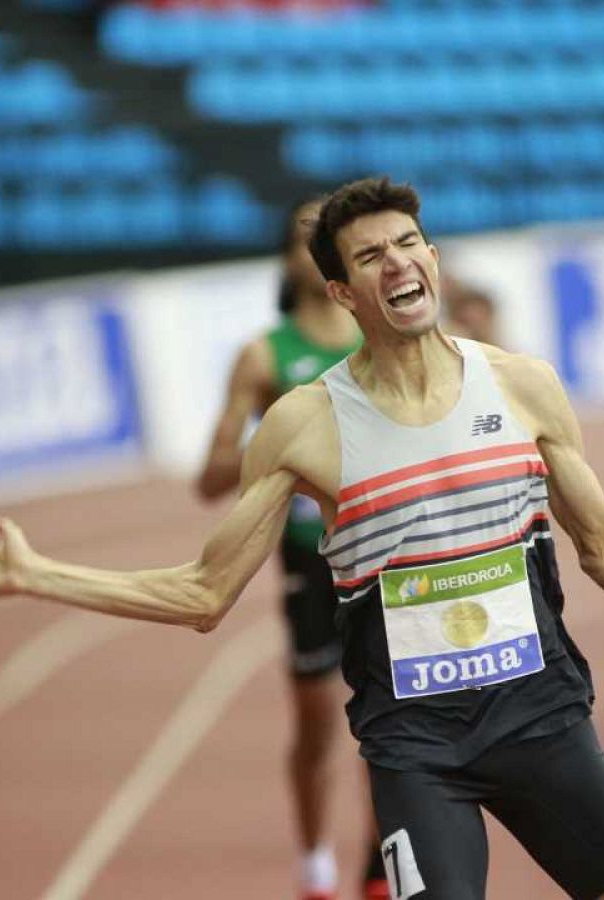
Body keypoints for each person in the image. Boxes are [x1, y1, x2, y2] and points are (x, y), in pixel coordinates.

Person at [0, 177, 604, 899]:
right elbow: (203, 592)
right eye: (370, 256)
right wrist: (37, 574)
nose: (395, 264)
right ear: (342, 291)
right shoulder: (307, 424)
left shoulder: (524, 386)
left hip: (543, 724)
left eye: (407, 245)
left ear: (433, 259)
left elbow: (601, 543)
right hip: (420, 754)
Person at [195, 198, 384, 900]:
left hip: (385, 546)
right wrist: (270, 449)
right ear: (285, 259)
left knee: (390, 720)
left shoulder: (383, 335)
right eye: (302, 237)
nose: (314, 247)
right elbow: (210, 480)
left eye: (324, 236)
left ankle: (377, 865)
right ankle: (314, 866)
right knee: (315, 726)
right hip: (311, 555)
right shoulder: (264, 354)